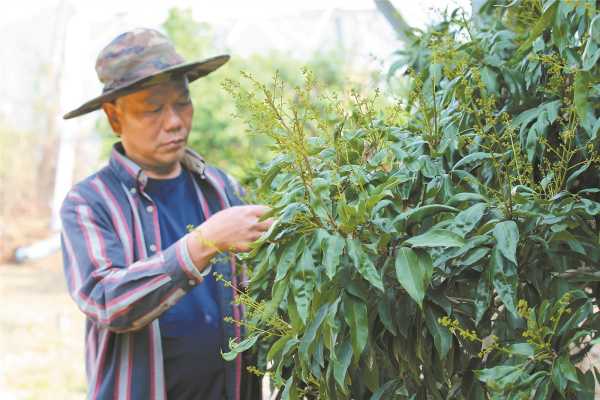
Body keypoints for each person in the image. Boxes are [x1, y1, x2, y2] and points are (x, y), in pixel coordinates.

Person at [60, 28, 272, 400]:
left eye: (182, 102)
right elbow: (106, 300)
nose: (174, 121)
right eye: (153, 108)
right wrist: (203, 243)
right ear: (114, 117)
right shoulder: (89, 203)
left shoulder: (223, 190)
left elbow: (259, 293)